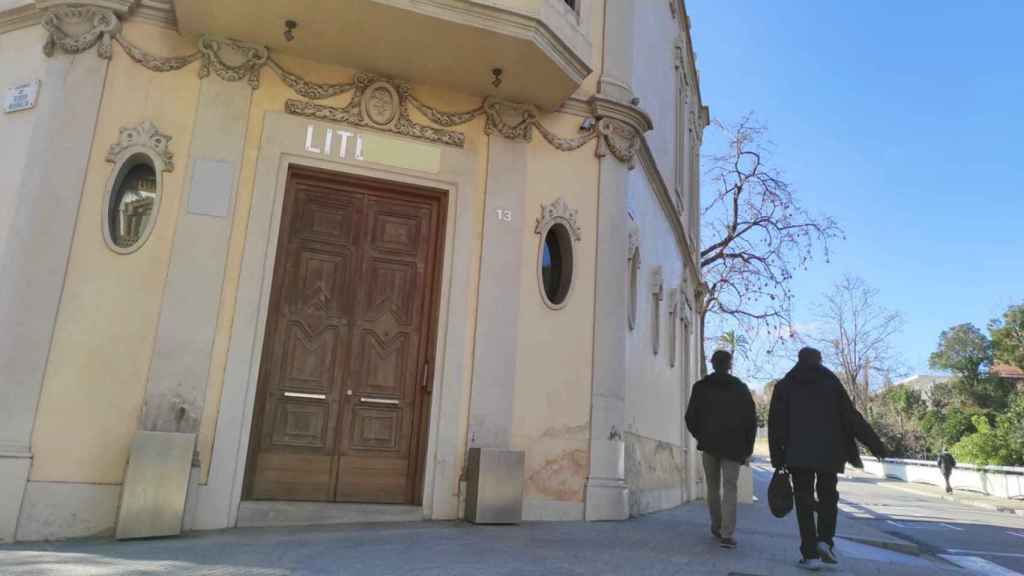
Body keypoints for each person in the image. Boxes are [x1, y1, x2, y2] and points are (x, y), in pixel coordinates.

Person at [768, 347, 888, 571]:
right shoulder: (831, 384)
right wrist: (875, 444)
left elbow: (776, 424)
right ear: (819, 360)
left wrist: (778, 458)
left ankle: (810, 554)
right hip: (830, 453)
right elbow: (851, 417)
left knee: (803, 501)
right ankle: (825, 540)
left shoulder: (785, 385)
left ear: (799, 360)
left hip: (798, 453)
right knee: (828, 497)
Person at [685, 349, 757, 550]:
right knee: (730, 489)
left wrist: (702, 436)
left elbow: (690, 417)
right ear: (729, 364)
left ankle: (716, 527)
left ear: (713, 363)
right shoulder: (741, 388)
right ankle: (727, 534)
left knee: (712, 488)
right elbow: (751, 421)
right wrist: (747, 448)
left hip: (709, 445)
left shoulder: (700, 387)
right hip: (734, 447)